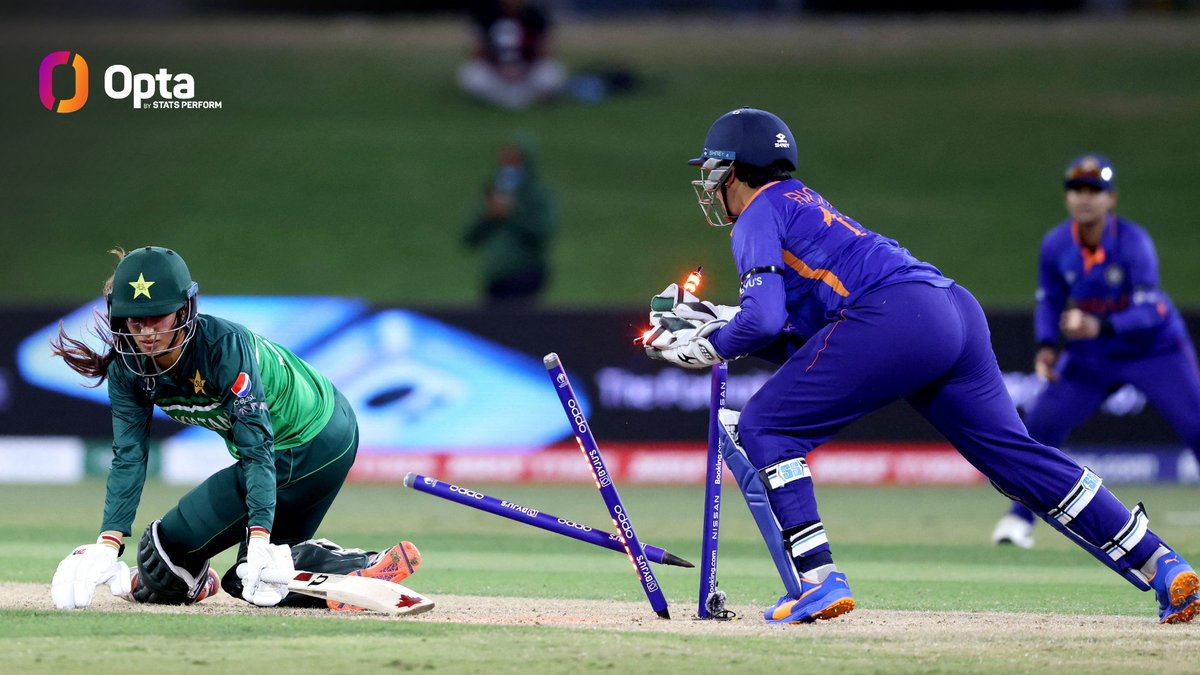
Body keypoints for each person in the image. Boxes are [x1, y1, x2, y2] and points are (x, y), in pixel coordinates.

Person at [642, 108, 1199, 625]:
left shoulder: (758, 212)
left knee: (767, 426)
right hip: (951, 308)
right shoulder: (799, 201)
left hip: (895, 316)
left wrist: (709, 345)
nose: (710, 184)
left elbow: (766, 321)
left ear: (738, 168)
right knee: (1016, 460)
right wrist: (721, 323)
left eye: (715, 170)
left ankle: (818, 580)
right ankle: (1163, 565)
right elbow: (812, 340)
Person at [48, 246, 421, 611]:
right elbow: (129, 456)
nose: (147, 333)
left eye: (157, 317)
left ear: (184, 310)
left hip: (310, 439)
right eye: (135, 320)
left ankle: (349, 562)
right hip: (312, 438)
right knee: (247, 579)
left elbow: (257, 448)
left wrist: (258, 538)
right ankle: (359, 571)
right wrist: (107, 543)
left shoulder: (223, 348)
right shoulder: (127, 370)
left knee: (166, 551)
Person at [991, 156, 1200, 550]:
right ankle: (1019, 519)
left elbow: (1149, 310)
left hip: (1153, 349)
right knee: (1042, 424)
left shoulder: (1133, 243)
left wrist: (1099, 325)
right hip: (1093, 355)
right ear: (1067, 197)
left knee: (1197, 426)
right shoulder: (1057, 245)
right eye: (1076, 189)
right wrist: (1047, 347)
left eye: (1094, 190)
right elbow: (1050, 301)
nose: (1084, 198)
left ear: (1111, 199)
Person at [463, 139, 556, 304]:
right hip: (494, 277)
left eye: (514, 160)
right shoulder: (494, 191)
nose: (509, 167)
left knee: (521, 318)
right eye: (505, 160)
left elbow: (545, 232)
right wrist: (489, 217)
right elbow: (468, 238)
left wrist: (511, 215)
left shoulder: (536, 195)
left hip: (526, 273)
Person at [457, 0, 566, 110]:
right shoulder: (486, 14)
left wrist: (524, 70)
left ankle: (522, 98)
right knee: (472, 74)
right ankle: (507, 98)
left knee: (551, 72)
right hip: (496, 72)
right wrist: (499, 69)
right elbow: (478, 51)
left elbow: (544, 51)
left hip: (527, 73)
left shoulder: (535, 15)